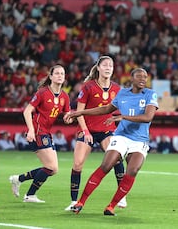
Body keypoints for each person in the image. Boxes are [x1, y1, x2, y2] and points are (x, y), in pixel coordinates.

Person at [63, 68, 158, 216]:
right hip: (121, 136)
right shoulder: (123, 93)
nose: (142, 79)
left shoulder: (150, 94)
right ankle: (80, 202)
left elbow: (148, 117)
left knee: (132, 170)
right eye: (139, 76)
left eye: (145, 77)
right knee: (106, 165)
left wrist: (123, 117)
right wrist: (80, 112)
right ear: (131, 79)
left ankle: (111, 206)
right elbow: (106, 109)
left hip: (140, 140)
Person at [64, 55, 126, 211]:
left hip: (106, 130)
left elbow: (123, 109)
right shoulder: (88, 87)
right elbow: (80, 112)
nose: (108, 68)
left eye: (110, 66)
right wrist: (85, 131)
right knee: (78, 164)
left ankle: (122, 197)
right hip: (87, 129)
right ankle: (73, 201)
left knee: (116, 158)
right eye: (105, 65)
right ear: (98, 68)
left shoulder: (117, 89)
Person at [9, 64, 71, 203]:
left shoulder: (64, 97)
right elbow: (27, 111)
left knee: (53, 169)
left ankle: (19, 179)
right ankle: (29, 194)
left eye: (62, 73)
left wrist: (69, 118)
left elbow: (67, 115)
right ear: (51, 76)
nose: (60, 75)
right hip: (37, 131)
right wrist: (30, 130)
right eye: (57, 73)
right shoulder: (43, 92)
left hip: (47, 133)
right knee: (51, 167)